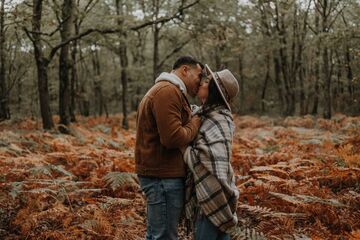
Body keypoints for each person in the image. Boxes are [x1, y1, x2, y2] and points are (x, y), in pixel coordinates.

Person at [135, 56, 204, 240]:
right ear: (184, 70)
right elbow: (173, 138)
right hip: (162, 177)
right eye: (198, 75)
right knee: (164, 236)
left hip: (161, 175)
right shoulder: (167, 91)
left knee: (156, 235)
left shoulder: (169, 91)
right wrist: (196, 122)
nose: (200, 81)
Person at [183, 64, 240, 240]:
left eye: (207, 81)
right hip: (208, 192)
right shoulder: (202, 114)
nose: (201, 82)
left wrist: (180, 144)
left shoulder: (220, 118)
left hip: (215, 192)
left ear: (213, 91)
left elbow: (209, 158)